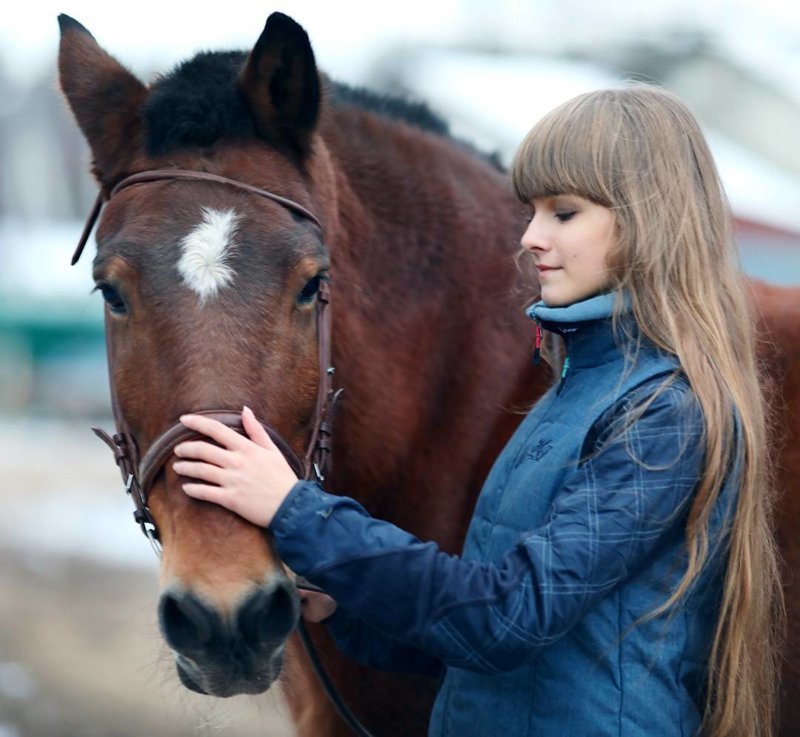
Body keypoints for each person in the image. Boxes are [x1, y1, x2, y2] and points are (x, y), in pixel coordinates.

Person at [171, 84, 781, 737]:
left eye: (563, 213)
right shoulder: (576, 390)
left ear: (646, 220)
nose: (531, 238)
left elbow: (508, 618)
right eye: (533, 211)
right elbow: (505, 653)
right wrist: (348, 605)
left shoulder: (662, 412)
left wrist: (298, 511)